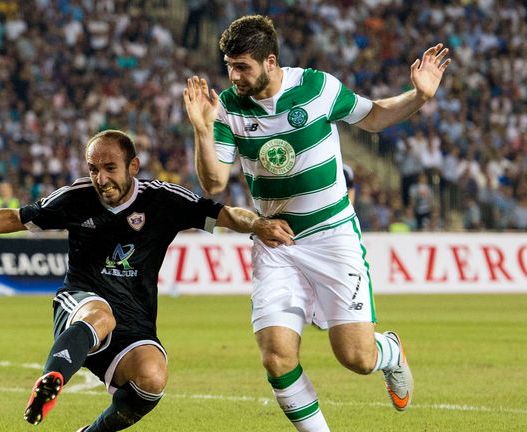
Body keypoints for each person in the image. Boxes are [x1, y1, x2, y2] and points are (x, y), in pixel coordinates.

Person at [0, 130, 293, 431]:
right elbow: (15, 218)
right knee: (99, 314)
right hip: (81, 303)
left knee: (153, 379)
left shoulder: (164, 200)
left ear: (133, 167)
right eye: (93, 168)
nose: (100, 178)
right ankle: (52, 378)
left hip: (135, 319)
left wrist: (259, 224)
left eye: (109, 168)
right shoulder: (76, 197)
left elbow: (225, 215)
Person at [183, 15, 450, 431]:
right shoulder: (228, 108)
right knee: (276, 355)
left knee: (356, 358)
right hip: (276, 242)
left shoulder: (317, 88)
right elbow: (214, 182)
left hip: (332, 237)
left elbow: (374, 116)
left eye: (242, 67)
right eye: (229, 66)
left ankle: (390, 352)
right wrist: (202, 130)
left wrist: (419, 96)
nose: (233, 76)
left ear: (270, 62)